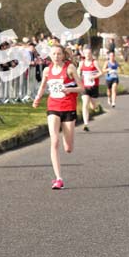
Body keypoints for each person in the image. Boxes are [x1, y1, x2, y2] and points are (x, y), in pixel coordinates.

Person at [32, 44, 83, 190]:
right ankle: (58, 178)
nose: (56, 57)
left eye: (59, 54)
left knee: (68, 148)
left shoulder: (70, 68)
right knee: (54, 141)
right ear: (50, 55)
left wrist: (70, 89)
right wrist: (37, 98)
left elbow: (82, 88)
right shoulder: (47, 70)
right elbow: (43, 86)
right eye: (53, 54)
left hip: (68, 108)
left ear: (63, 55)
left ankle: (66, 139)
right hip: (53, 107)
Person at [78, 46, 103, 131]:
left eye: (89, 53)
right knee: (85, 104)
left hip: (94, 86)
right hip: (85, 86)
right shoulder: (81, 63)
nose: (88, 55)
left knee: (93, 105)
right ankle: (86, 124)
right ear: (84, 54)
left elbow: (101, 73)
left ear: (91, 53)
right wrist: (79, 76)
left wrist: (94, 77)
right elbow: (78, 72)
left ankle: (96, 107)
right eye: (86, 54)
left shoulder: (94, 62)